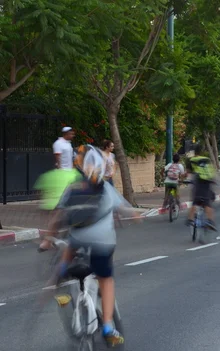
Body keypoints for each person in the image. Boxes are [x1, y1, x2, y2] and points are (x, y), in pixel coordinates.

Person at [48, 144, 140, 347]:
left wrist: (48, 239)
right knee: (106, 279)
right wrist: (135, 216)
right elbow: (126, 211)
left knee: (69, 249)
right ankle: (107, 325)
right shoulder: (107, 188)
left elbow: (57, 217)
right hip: (102, 244)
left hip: (77, 241)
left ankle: (59, 280)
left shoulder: (72, 188)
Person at [38, 127, 78, 252]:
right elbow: (58, 157)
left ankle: (50, 240)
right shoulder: (58, 144)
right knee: (59, 211)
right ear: (66, 133)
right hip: (63, 175)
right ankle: (48, 240)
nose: (73, 135)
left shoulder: (68, 144)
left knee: (61, 211)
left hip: (69, 173)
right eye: (71, 133)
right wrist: (61, 171)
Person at [187, 147, 217, 231]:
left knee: (195, 201)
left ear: (194, 152)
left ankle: (190, 219)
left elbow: (188, 172)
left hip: (199, 182)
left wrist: (183, 180)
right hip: (208, 182)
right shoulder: (207, 159)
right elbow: (212, 171)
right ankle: (210, 221)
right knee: (207, 202)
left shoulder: (192, 160)